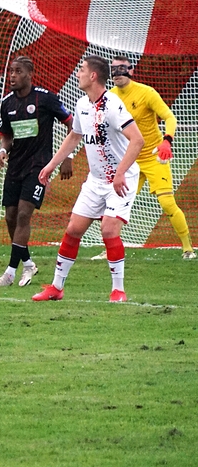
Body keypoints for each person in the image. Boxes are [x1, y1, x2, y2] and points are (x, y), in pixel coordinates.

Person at [32, 56, 144, 303]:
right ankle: (56, 288)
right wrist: (51, 166)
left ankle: (118, 291)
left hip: (121, 180)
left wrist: (120, 172)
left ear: (93, 76)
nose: (78, 74)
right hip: (96, 180)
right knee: (73, 229)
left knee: (109, 229)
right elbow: (75, 136)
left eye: (81, 70)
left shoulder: (112, 105)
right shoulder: (82, 104)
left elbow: (138, 140)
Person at [0, 56, 74, 287]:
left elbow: (71, 123)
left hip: (39, 166)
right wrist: (2, 150)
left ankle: (10, 272)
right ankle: (28, 264)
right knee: (10, 217)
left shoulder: (45, 98)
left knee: (23, 215)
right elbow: (7, 135)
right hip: (15, 165)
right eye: (11, 71)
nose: (12, 76)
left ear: (29, 74)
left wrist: (67, 157)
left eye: (18, 71)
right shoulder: (7, 103)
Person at [110, 55, 193, 260]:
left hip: (154, 157)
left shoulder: (146, 92)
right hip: (129, 161)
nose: (117, 73)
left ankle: (188, 249)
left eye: (122, 68)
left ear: (131, 70)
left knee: (167, 203)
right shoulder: (109, 97)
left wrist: (167, 141)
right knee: (116, 205)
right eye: (113, 69)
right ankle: (111, 249)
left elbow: (169, 117)